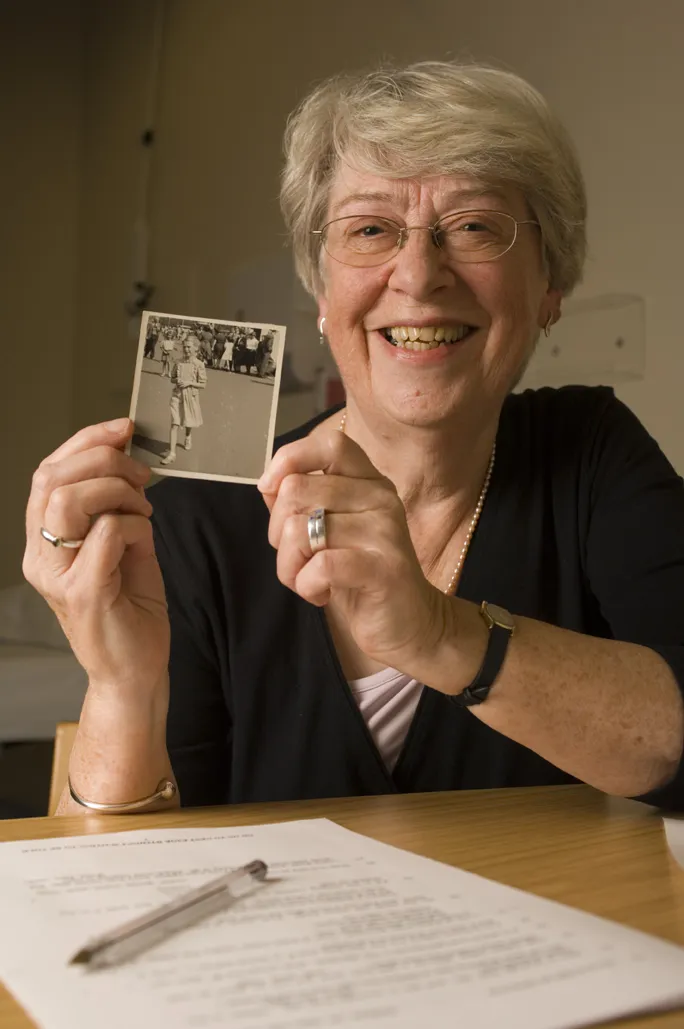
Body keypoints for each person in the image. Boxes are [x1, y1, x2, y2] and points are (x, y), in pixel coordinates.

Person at [23, 61, 684, 818]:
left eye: (474, 226)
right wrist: (122, 687)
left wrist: (440, 633)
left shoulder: (591, 453)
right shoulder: (195, 525)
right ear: (321, 289)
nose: (418, 274)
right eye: (370, 230)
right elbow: (121, 890)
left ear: (550, 287)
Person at [160, 335, 207, 466]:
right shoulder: (178, 362)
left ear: (196, 349)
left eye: (189, 347)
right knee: (175, 423)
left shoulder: (199, 364)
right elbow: (172, 378)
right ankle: (172, 454)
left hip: (191, 396)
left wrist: (188, 383)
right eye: (184, 347)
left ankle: (188, 436)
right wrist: (177, 380)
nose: (186, 349)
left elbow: (203, 384)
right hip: (177, 396)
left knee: (188, 421)